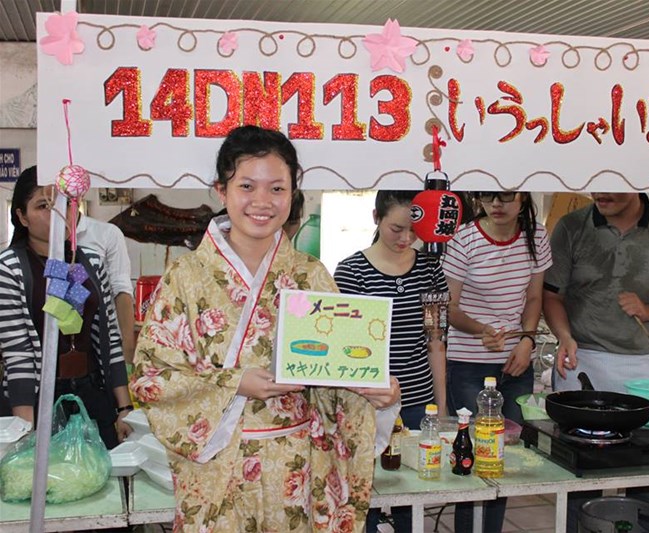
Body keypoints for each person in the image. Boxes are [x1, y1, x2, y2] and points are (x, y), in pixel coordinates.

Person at [131, 126, 400, 532]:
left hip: (297, 468)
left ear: (292, 193)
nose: (262, 201)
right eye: (246, 186)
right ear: (221, 191)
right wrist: (235, 383)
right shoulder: (186, 276)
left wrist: (377, 395)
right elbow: (152, 378)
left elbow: (336, 381)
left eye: (277, 188)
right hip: (217, 469)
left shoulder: (312, 275)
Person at [543, 192, 649, 531]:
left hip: (644, 367)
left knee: (646, 473)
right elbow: (551, 294)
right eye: (597, 186)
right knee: (579, 473)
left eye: (613, 186)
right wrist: (564, 335)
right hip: (582, 361)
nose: (602, 194)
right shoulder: (572, 226)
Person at [335, 190, 448, 533]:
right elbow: (346, 349)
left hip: (416, 402)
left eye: (414, 231)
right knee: (365, 493)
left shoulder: (430, 269)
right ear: (376, 218)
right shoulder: (352, 271)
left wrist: (441, 407)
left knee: (413, 494)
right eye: (396, 228)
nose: (406, 238)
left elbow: (436, 340)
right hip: (367, 404)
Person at [442, 190, 552, 532]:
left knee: (506, 455)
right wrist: (481, 330)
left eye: (504, 196)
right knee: (474, 453)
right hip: (468, 361)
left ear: (523, 197)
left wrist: (527, 340)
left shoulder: (536, 236)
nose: (496, 205)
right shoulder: (464, 238)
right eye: (487, 197)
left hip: (516, 361)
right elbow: (450, 307)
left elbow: (534, 297)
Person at [0, 166, 131, 449]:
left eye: (66, 204)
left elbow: (110, 338)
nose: (59, 213)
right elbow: (18, 354)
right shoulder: (10, 268)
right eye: (43, 206)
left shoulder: (91, 262)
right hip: (38, 399)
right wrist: (24, 429)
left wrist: (124, 408)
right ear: (22, 217)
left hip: (90, 393)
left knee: (101, 470)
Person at [75, 213, 136, 364]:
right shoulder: (42, 240)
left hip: (104, 337)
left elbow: (121, 289)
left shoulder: (107, 233)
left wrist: (128, 348)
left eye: (69, 203)